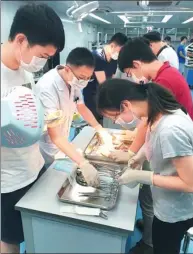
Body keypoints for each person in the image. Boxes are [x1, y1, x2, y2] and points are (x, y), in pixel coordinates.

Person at [110, 37, 193, 254]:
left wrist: (142, 174)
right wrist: (139, 156)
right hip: (169, 193)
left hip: (178, 207)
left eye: (130, 72)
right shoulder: (160, 90)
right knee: (161, 232)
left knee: (165, 244)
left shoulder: (169, 127)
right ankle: (152, 232)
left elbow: (189, 182)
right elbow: (149, 129)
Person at [1, 3, 65, 254]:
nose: (43, 63)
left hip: (34, 166)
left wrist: (44, 120)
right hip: (8, 180)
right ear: (21, 40)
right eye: (44, 56)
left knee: (36, 234)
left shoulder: (24, 73)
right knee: (10, 239)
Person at [36, 47, 114, 186]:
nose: (83, 81)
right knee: (50, 185)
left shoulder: (74, 81)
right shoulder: (47, 87)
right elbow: (55, 136)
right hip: (48, 148)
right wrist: (82, 162)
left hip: (62, 141)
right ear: (67, 69)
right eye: (82, 78)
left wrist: (99, 128)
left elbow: (81, 107)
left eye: (88, 78)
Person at [83, 33, 128, 122]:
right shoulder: (97, 57)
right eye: (120, 51)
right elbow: (103, 84)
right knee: (94, 119)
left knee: (103, 117)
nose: (120, 54)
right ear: (112, 46)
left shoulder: (114, 59)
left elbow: (111, 78)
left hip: (103, 92)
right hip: (92, 94)